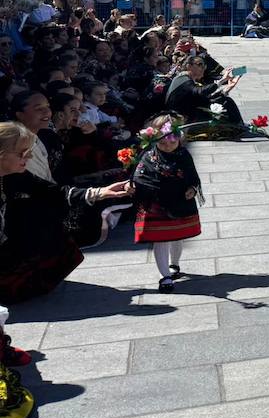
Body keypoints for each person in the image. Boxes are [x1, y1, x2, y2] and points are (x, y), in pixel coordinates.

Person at [0, 120, 131, 304]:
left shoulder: (14, 175)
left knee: (39, 211)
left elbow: (51, 192)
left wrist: (99, 192)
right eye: (22, 153)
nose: (28, 157)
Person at [129, 114, 202, 292]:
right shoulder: (148, 156)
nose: (167, 146)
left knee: (177, 236)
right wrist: (135, 185)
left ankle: (174, 264)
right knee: (160, 240)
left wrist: (192, 188)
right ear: (154, 140)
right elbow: (139, 176)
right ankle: (164, 276)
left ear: (179, 139)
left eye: (171, 142)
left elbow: (192, 176)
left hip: (179, 202)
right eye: (162, 143)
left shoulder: (184, 155)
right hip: (156, 204)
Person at [165, 54, 244, 127]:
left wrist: (228, 88)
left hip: (189, 112)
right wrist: (222, 80)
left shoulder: (188, 80)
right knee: (225, 102)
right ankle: (239, 126)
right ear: (189, 66)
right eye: (200, 65)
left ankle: (239, 125)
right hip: (182, 117)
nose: (203, 68)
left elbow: (204, 98)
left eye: (204, 66)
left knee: (224, 100)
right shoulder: (182, 78)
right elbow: (199, 92)